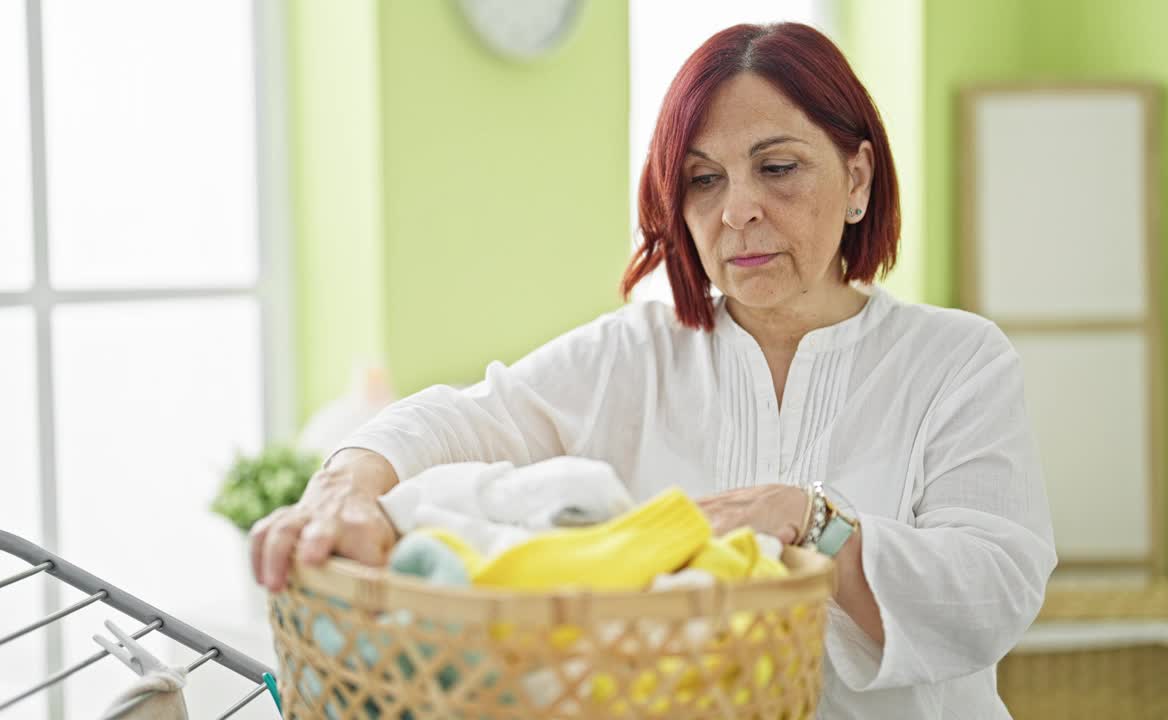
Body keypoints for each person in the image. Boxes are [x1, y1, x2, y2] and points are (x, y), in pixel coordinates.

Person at [250, 22, 1056, 718]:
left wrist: (817, 523)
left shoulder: (958, 360)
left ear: (857, 178)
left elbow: (995, 589)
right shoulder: (635, 353)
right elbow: (460, 418)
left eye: (777, 167)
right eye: (704, 179)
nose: (737, 208)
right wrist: (341, 487)